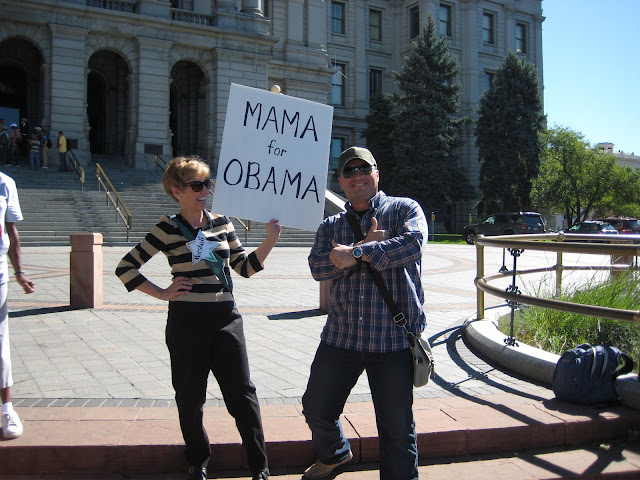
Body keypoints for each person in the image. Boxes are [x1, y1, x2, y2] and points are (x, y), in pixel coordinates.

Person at [116, 155, 279, 480]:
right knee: (190, 396)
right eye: (197, 185)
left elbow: (244, 268)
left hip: (226, 318)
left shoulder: (222, 222)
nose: (205, 190)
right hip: (187, 321)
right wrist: (162, 292)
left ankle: (259, 465)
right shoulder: (167, 228)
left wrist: (270, 239)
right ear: (177, 191)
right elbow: (125, 267)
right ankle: (198, 460)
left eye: (207, 183)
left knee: (242, 394)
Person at [303, 146, 428, 480]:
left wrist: (357, 253)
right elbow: (317, 267)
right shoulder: (330, 225)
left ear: (377, 174)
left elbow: (414, 244)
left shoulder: (403, 209)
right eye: (349, 171)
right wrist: (354, 254)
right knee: (316, 408)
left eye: (364, 169)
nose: (357, 176)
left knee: (397, 430)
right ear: (341, 181)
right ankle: (335, 453)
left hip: (391, 339)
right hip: (341, 337)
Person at [0, 171, 36, 439]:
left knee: (0, 342)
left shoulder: (5, 183)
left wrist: (19, 272)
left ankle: (6, 408)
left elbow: (11, 232)